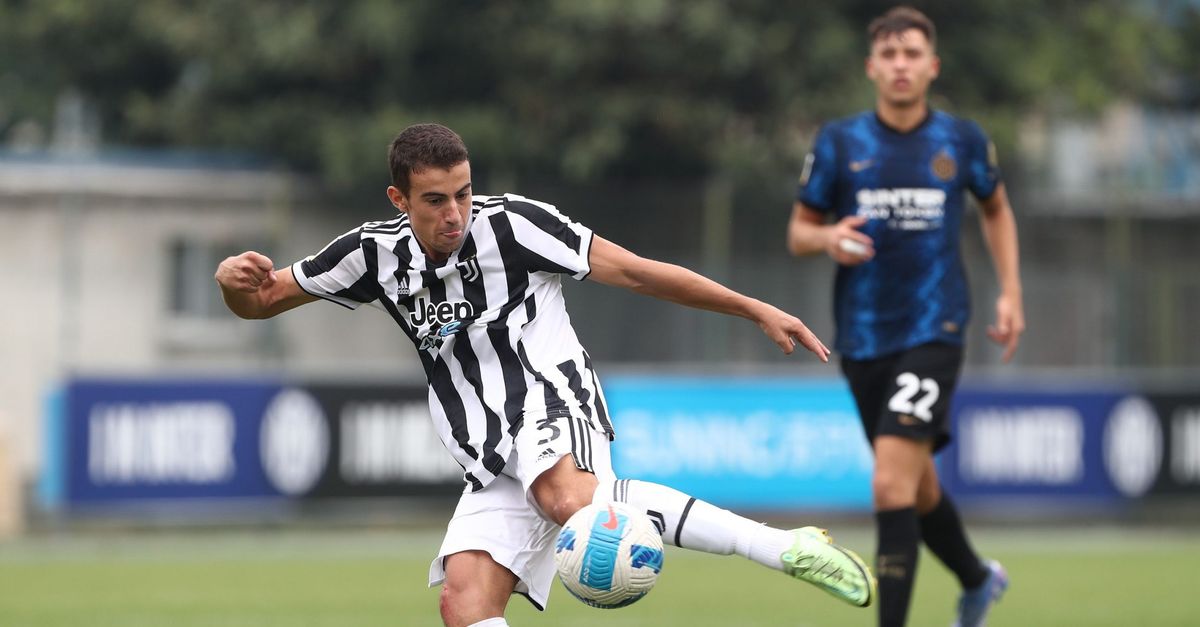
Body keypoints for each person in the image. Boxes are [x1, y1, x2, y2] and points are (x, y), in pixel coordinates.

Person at [216, 122, 874, 626]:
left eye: (464, 193)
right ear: (399, 198)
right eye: (436, 200)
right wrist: (232, 284)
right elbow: (263, 299)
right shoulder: (371, 255)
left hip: (551, 393)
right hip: (488, 450)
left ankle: (784, 546)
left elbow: (638, 271)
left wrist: (751, 306)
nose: (455, 213)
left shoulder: (518, 226)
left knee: (567, 499)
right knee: (464, 603)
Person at [786, 6, 1023, 627]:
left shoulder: (962, 140)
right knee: (914, 488)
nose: (900, 65)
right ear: (872, 67)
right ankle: (977, 578)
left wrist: (1011, 292)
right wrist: (830, 236)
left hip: (936, 327)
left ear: (932, 66)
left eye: (912, 54)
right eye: (889, 55)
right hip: (863, 338)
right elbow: (798, 232)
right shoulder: (841, 142)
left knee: (890, 486)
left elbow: (996, 208)